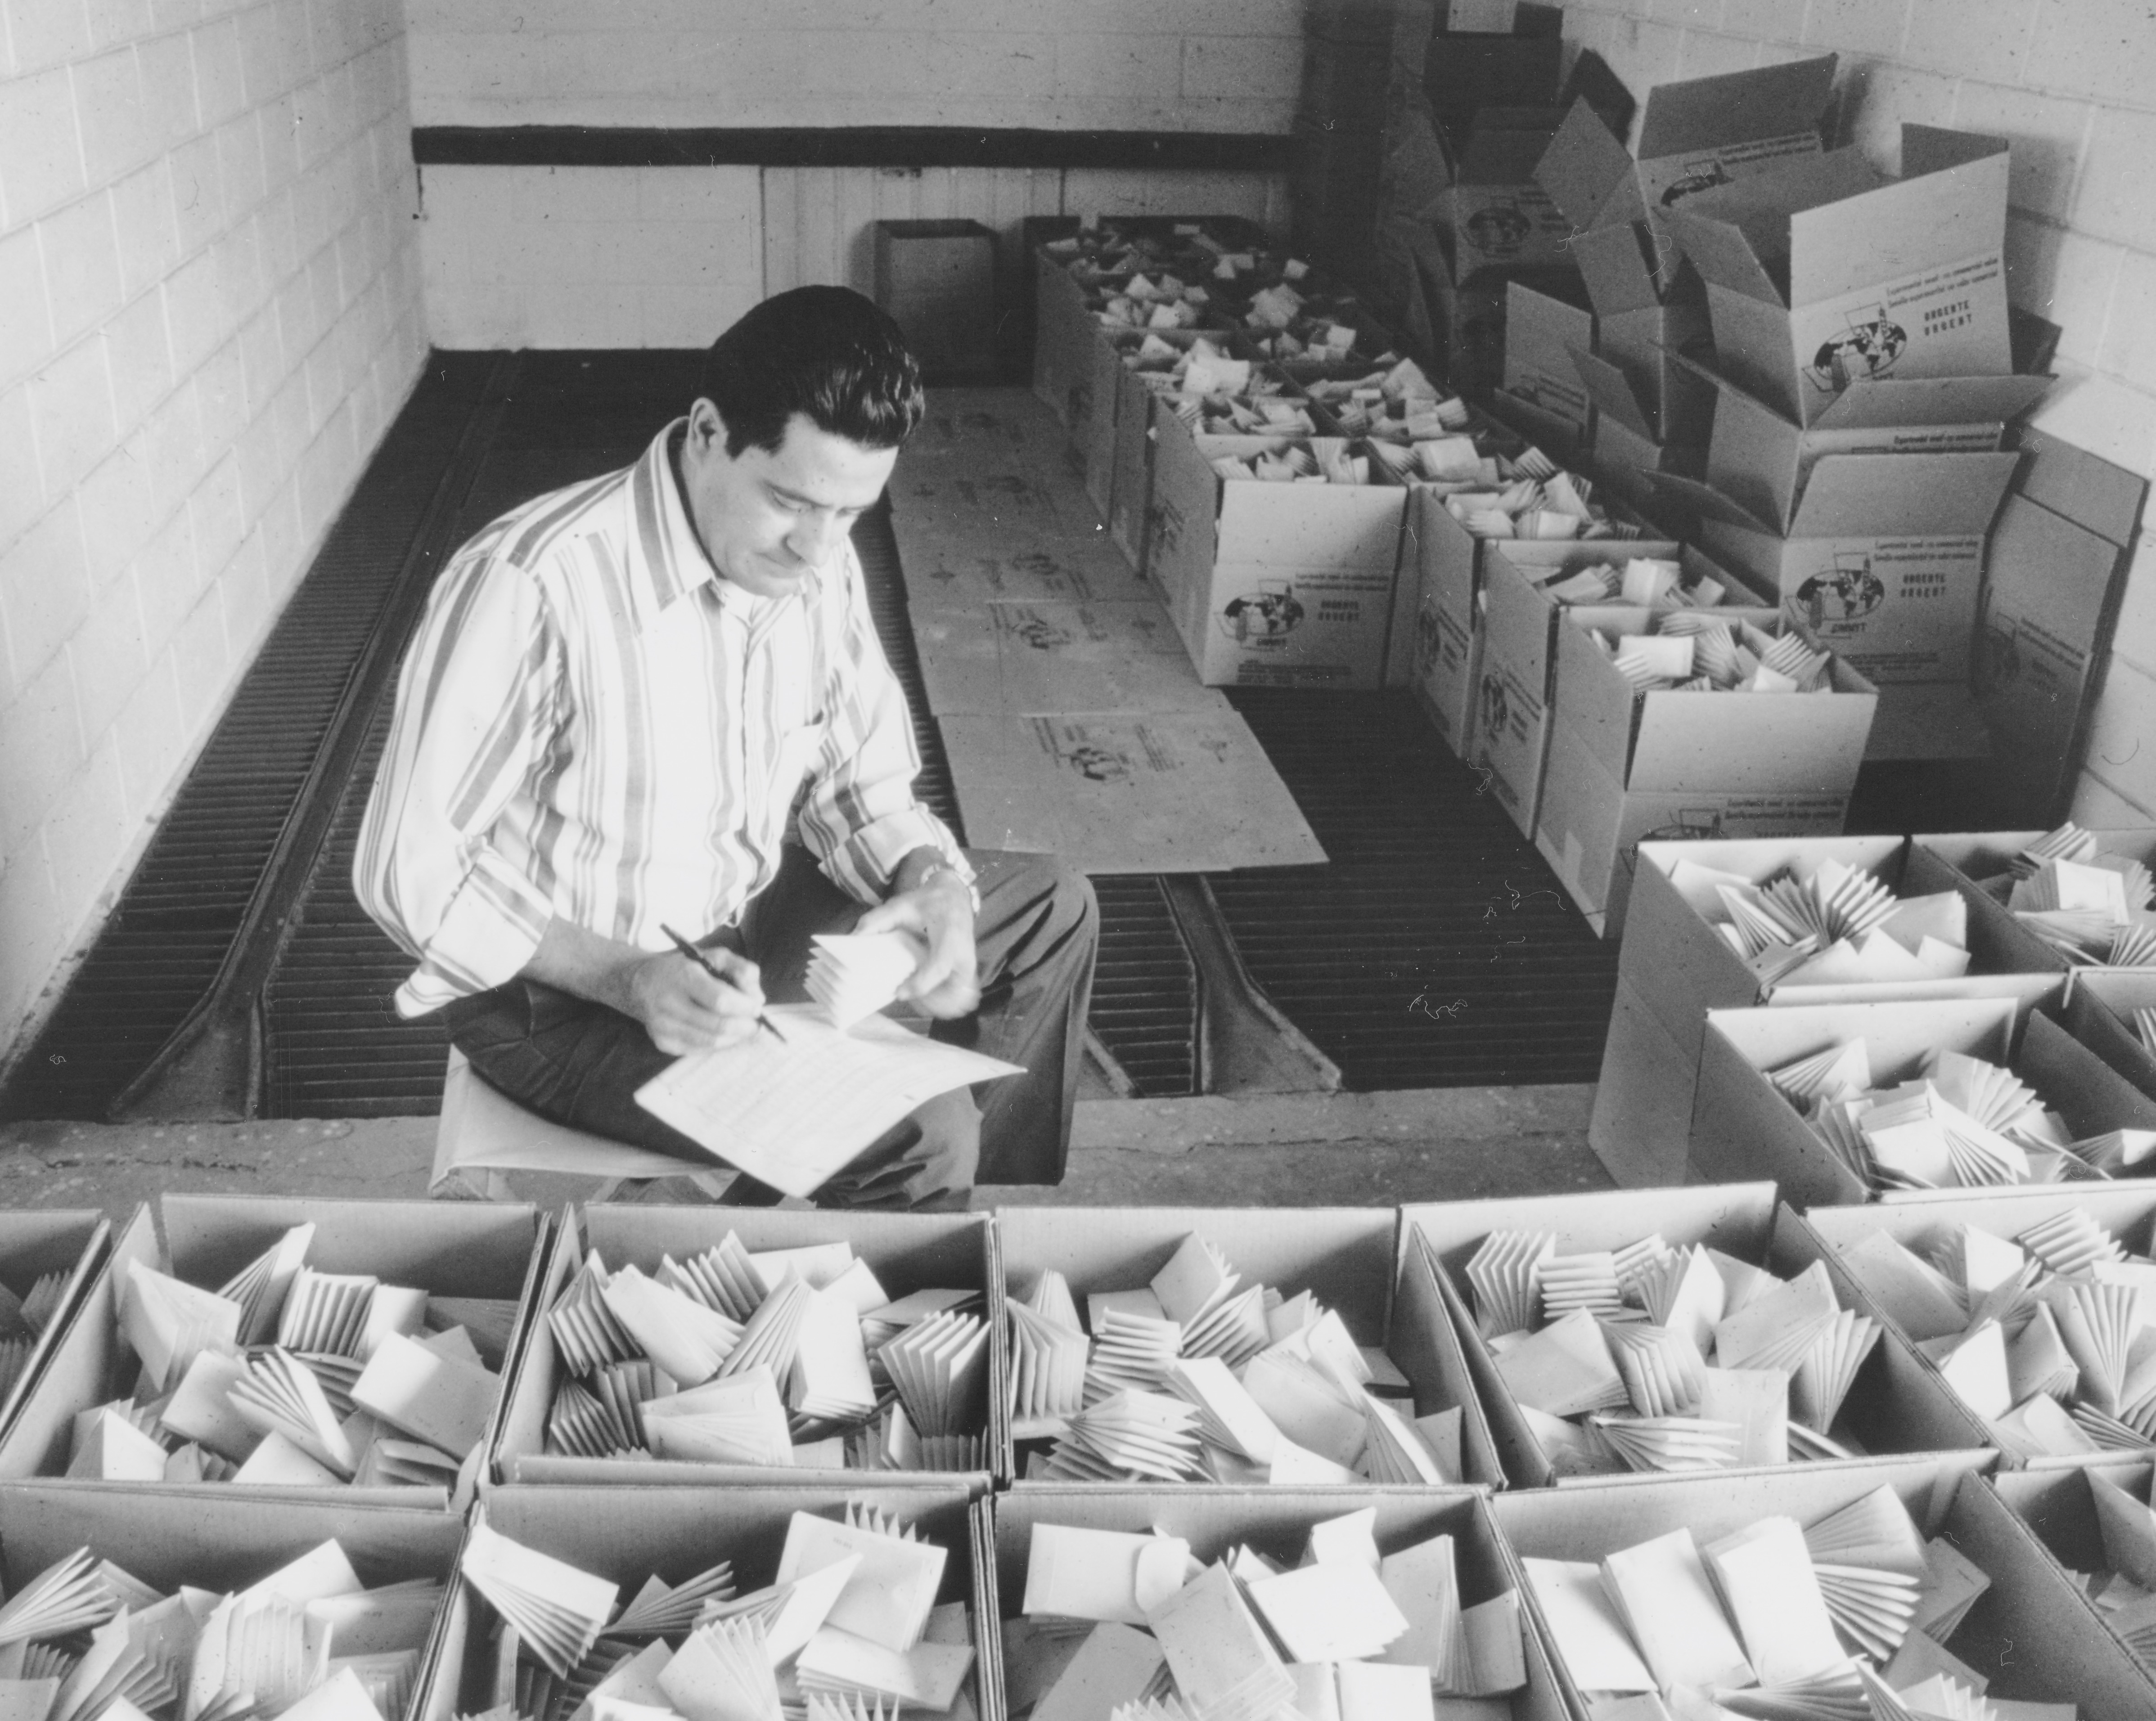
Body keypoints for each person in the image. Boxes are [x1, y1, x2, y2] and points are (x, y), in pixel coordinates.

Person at [354, 287, 1098, 1209]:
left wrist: (929, 882)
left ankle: (840, 1184)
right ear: (707, 431)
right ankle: (870, 1202)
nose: (818, 548)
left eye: (850, 513)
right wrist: (626, 978)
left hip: (736, 930)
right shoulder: (534, 583)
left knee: (1050, 908)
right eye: (789, 501)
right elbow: (406, 873)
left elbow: (859, 786)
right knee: (922, 1135)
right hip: (560, 997)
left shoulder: (813, 561)